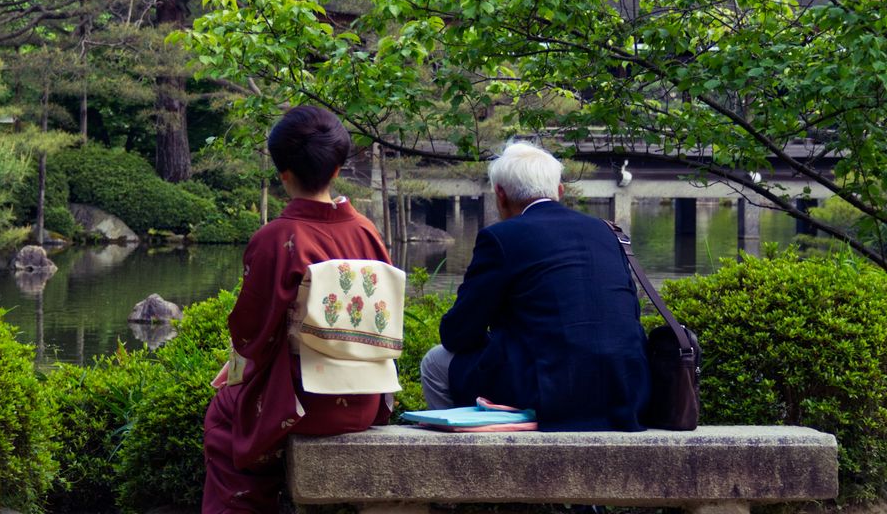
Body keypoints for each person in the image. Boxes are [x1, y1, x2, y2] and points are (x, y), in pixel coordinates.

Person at [202, 106, 393, 513]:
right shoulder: (367, 231)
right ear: (337, 169)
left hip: (304, 405)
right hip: (366, 399)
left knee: (224, 417)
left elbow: (251, 333)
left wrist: (242, 367)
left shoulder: (278, 237)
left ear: (283, 172)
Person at [420, 141, 649, 431]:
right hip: (628, 389)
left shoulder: (501, 237)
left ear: (500, 195)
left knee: (435, 362)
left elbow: (457, 334)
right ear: (560, 191)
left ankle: (464, 463)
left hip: (552, 391)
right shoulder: (609, 233)